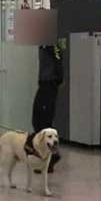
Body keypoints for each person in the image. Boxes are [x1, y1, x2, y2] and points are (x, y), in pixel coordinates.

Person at [31, 44, 63, 174]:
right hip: (43, 83)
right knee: (37, 120)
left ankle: (51, 157)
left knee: (44, 123)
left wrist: (56, 81)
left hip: (49, 84)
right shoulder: (42, 44)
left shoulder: (52, 42)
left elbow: (59, 60)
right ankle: (47, 156)